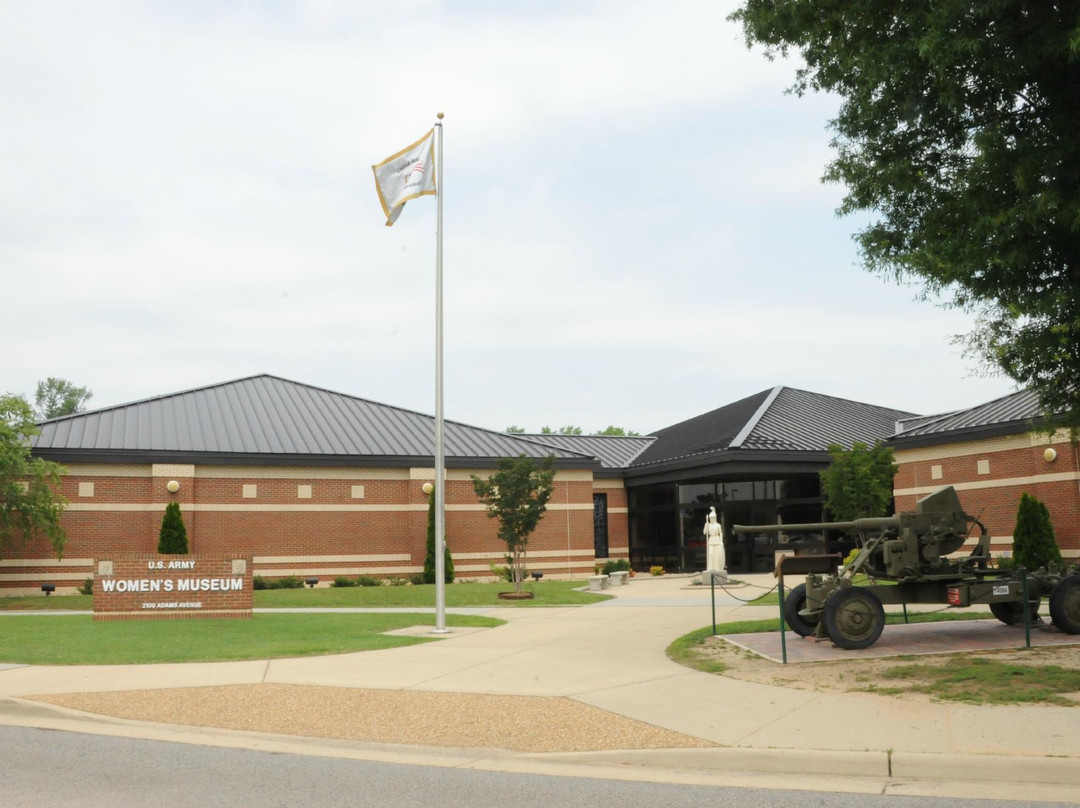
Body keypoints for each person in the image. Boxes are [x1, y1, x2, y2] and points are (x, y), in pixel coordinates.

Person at [704, 506, 725, 573]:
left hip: (717, 540)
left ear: (715, 518)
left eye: (713, 518)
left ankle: (717, 567)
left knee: (716, 555)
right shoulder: (708, 525)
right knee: (711, 554)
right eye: (710, 518)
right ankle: (710, 567)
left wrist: (721, 541)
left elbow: (721, 533)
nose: (712, 519)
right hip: (711, 540)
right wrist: (706, 526)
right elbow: (704, 532)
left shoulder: (718, 525)